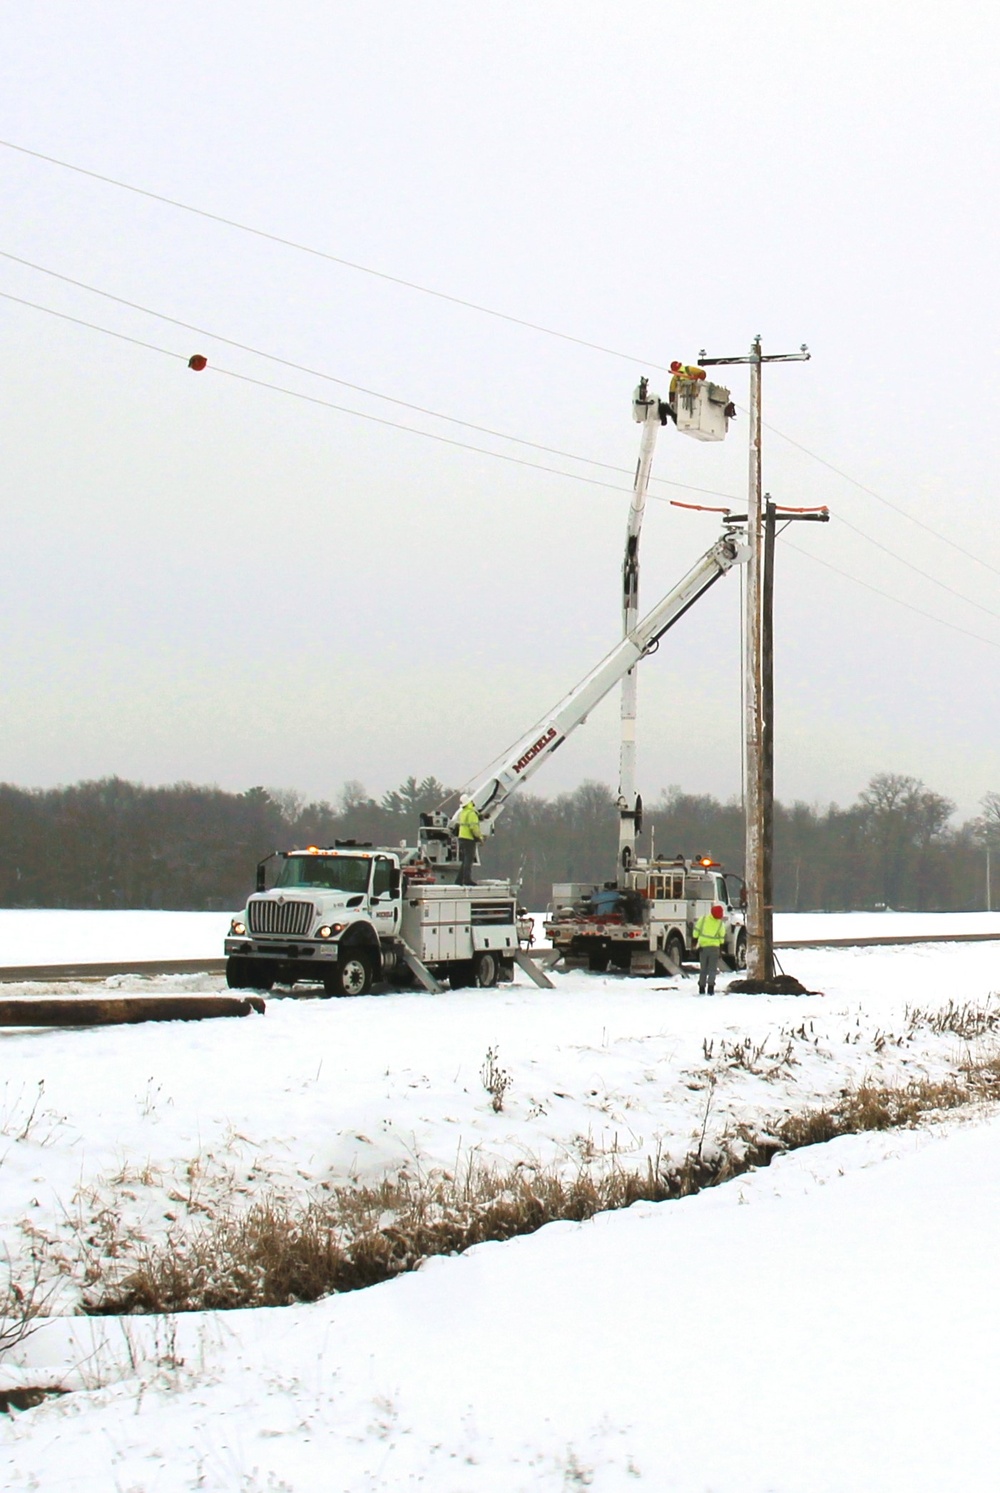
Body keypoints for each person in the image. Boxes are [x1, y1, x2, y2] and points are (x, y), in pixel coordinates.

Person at [693, 902, 727, 994]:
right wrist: (721, 948)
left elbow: (696, 932)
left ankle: (701, 987)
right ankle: (711, 988)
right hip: (714, 949)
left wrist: (695, 942)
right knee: (712, 969)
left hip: (703, 948)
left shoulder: (703, 919)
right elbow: (722, 937)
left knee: (703, 969)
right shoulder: (720, 924)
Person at [456, 799, 483, 885]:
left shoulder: (463, 813)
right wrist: (480, 838)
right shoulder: (471, 814)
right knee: (469, 860)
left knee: (465, 860)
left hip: (462, 838)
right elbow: (474, 828)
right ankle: (467, 879)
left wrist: (479, 816)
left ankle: (459, 880)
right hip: (469, 839)